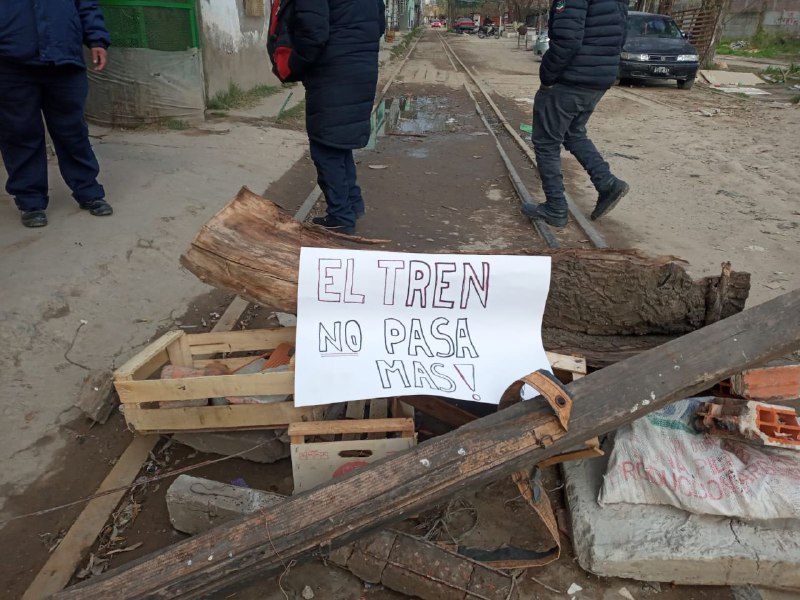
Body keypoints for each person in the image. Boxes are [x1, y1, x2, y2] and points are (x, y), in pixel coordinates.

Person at [268, 0, 386, 236]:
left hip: (332, 73)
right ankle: (352, 205)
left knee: (325, 148)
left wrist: (296, 66)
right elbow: (379, 25)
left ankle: (341, 217)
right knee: (339, 144)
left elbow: (314, 33)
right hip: (361, 69)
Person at [0, 1, 112, 228]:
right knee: (20, 133)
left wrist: (96, 39)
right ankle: (30, 201)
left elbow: (86, 3)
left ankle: (88, 190)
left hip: (64, 58)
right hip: (11, 62)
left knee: (72, 131)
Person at [523, 0, 629, 228]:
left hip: (570, 79)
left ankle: (555, 208)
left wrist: (548, 75)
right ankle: (607, 183)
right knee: (573, 133)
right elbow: (622, 35)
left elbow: (567, 39)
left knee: (546, 142)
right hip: (599, 77)